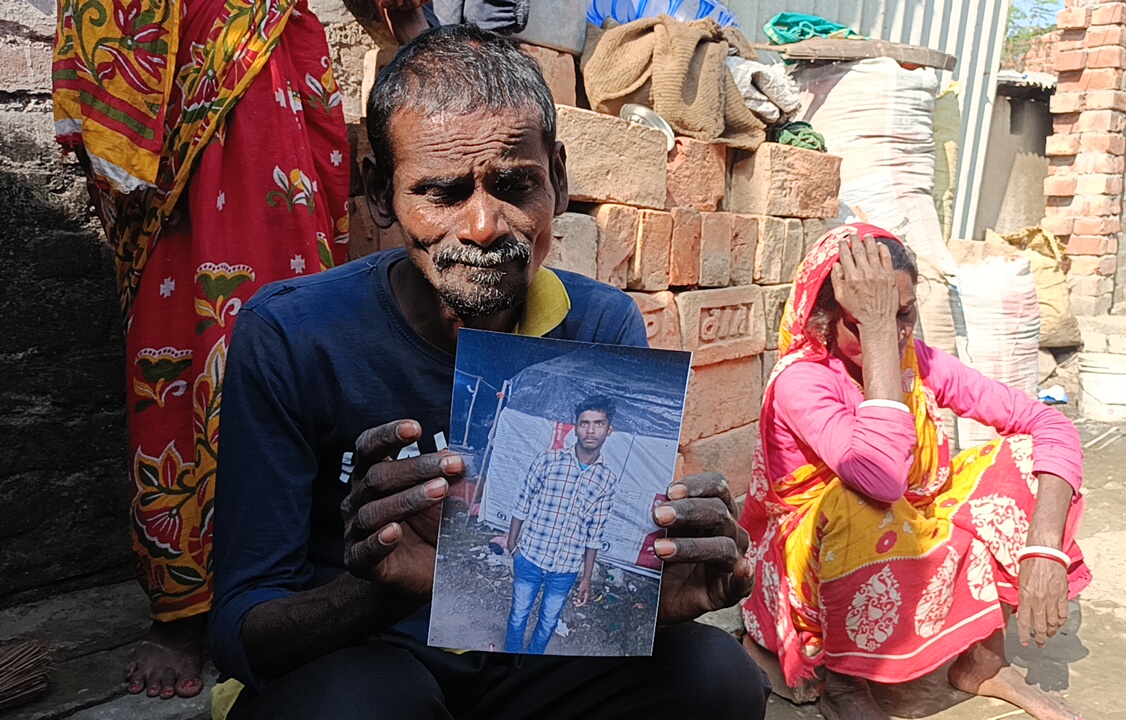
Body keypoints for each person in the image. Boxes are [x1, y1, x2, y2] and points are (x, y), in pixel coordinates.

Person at [208, 25, 768, 720]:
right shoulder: (294, 334)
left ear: (558, 180)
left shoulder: (599, 325)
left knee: (718, 676)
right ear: (381, 195)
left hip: (528, 664)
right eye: (440, 193)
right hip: (369, 657)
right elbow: (240, 634)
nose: (482, 225)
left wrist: (658, 598)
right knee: (366, 706)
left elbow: (589, 568)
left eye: (513, 185)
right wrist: (384, 584)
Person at [49, 0, 426, 698]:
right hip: (173, 74)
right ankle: (182, 609)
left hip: (271, 90)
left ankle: (297, 582)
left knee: (290, 336)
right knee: (178, 352)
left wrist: (409, 31)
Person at [740, 225, 1091, 720]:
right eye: (867, 318)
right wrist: (881, 332)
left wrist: (1043, 548)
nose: (898, 332)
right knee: (858, 498)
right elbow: (879, 476)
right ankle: (845, 684)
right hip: (811, 565)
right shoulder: (804, 380)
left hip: (903, 524)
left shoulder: (916, 361)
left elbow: (1047, 423)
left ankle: (983, 662)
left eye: (904, 314)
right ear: (823, 317)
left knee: (1025, 459)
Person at [505, 395, 622, 654]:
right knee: (518, 614)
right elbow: (522, 502)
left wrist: (587, 577)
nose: (591, 430)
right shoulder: (548, 460)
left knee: (547, 622)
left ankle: (531, 664)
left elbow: (594, 533)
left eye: (599, 424)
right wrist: (513, 545)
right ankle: (509, 662)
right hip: (530, 557)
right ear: (575, 427)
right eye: (584, 423)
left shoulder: (607, 480)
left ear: (609, 430)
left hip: (565, 568)